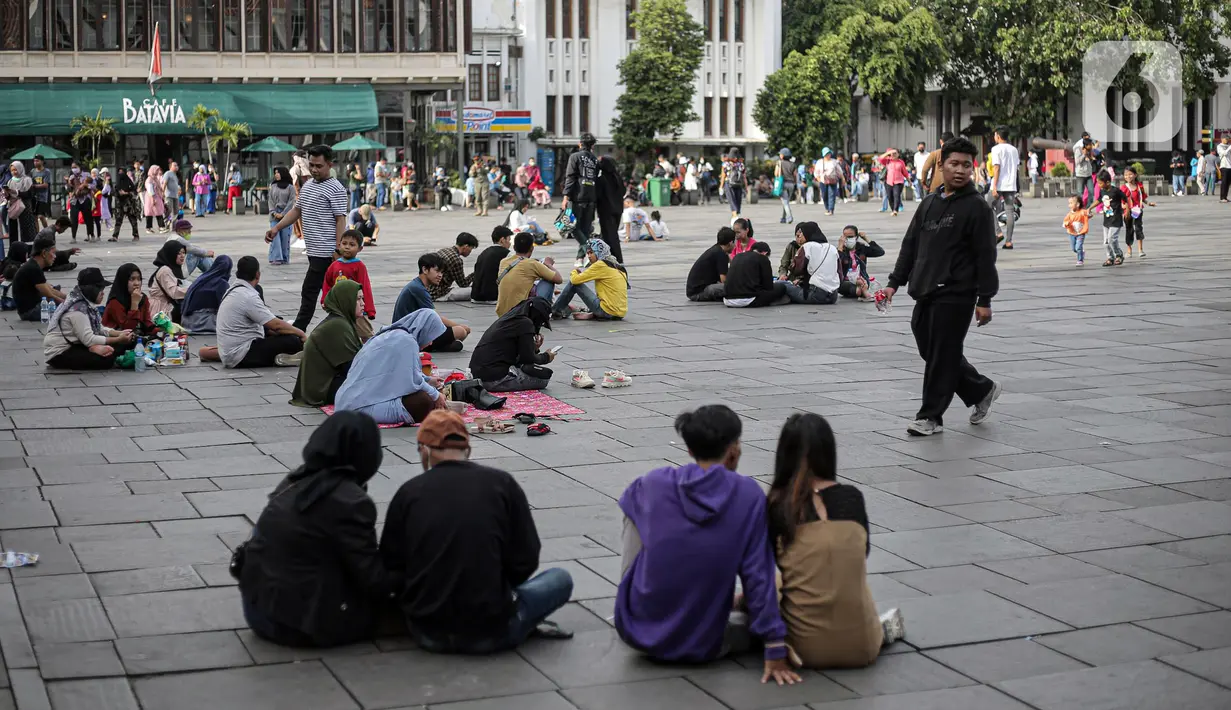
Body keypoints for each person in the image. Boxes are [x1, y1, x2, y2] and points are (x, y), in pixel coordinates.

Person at [615, 406, 799, 685]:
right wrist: (774, 645)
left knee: (635, 506)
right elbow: (757, 574)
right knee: (764, 622)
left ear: (689, 450)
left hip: (635, 632)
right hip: (702, 644)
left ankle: (635, 601)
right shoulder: (747, 495)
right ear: (734, 450)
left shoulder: (653, 483)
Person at [379, 409, 573, 652]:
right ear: (467, 449)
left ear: (424, 449)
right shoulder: (502, 483)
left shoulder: (409, 492)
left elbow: (391, 562)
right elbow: (526, 557)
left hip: (428, 631)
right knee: (560, 579)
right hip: (493, 629)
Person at [238, 411, 399, 647]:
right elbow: (374, 579)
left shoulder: (296, 481)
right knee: (413, 611)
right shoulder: (349, 500)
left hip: (257, 610)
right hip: (297, 624)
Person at [882, 136, 1001, 437]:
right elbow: (910, 245)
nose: (960, 170)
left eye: (966, 165)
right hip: (925, 289)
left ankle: (930, 416)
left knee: (942, 353)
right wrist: (894, 283)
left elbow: (986, 256)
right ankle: (981, 388)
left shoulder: (977, 208)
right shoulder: (930, 203)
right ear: (941, 165)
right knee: (930, 347)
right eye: (954, 164)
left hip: (958, 292)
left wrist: (984, 298)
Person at [768, 413, 905, 669]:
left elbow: (766, 568)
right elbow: (860, 555)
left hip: (803, 651)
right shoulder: (852, 498)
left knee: (776, 585)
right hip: (864, 647)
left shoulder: (778, 506)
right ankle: (877, 625)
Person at [267, 145, 348, 332]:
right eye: (311, 165)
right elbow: (297, 210)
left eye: (318, 166)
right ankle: (340, 330)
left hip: (327, 252)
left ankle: (298, 331)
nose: (314, 169)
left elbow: (340, 220)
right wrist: (277, 228)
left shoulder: (336, 188)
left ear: (329, 164)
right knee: (330, 296)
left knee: (310, 292)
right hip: (313, 251)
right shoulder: (308, 186)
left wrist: (338, 249)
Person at [335, 310, 450, 424]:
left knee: (424, 395)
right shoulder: (407, 341)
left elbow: (401, 372)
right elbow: (412, 380)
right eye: (431, 337)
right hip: (357, 408)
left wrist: (428, 380)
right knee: (423, 401)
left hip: (346, 401)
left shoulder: (395, 335)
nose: (431, 343)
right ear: (424, 330)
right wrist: (436, 396)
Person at [198, 256, 306, 368]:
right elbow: (276, 325)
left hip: (231, 352)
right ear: (258, 274)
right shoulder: (248, 296)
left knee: (284, 331)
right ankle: (290, 355)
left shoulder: (233, 290)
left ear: (237, 274)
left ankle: (285, 356)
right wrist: (301, 334)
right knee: (293, 340)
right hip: (242, 354)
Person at [290, 280, 365, 407]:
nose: (363, 304)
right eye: (358, 299)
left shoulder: (341, 321)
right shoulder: (337, 326)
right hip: (322, 389)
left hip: (326, 383)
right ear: (345, 300)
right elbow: (352, 367)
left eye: (362, 298)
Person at [44, 268, 136, 370]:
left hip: (77, 344)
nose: (103, 293)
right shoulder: (77, 309)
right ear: (91, 289)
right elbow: (89, 339)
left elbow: (99, 328)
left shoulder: (86, 304)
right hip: (60, 353)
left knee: (124, 345)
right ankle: (92, 350)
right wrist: (118, 339)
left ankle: (93, 349)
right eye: (100, 289)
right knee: (106, 360)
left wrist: (120, 333)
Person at [470, 296, 557, 392]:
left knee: (528, 368)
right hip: (493, 379)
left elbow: (514, 353)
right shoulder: (526, 323)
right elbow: (527, 359)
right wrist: (547, 357)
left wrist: (534, 348)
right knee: (544, 377)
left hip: (477, 374)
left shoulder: (511, 317)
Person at [392, 253, 472, 352]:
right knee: (461, 331)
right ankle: (436, 347)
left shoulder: (417, 285)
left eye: (442, 272)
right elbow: (435, 318)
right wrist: (458, 326)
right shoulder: (418, 289)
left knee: (459, 332)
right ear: (425, 270)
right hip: (410, 336)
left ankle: (444, 346)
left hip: (411, 332)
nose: (440, 275)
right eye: (437, 271)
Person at [551, 238, 628, 321]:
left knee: (574, 284)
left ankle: (555, 311)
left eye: (591, 253)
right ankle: (590, 313)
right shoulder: (615, 264)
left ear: (599, 252)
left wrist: (574, 271)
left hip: (606, 311)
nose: (589, 256)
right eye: (587, 253)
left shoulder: (601, 264)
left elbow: (575, 280)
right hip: (620, 313)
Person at [322, 230, 375, 340]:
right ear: (339, 244)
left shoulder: (359, 266)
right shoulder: (334, 266)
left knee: (366, 335)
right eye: (344, 243)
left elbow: (365, 286)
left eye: (352, 245)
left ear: (360, 249)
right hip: (339, 307)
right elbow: (327, 284)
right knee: (341, 333)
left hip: (355, 307)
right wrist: (325, 300)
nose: (347, 247)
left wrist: (369, 309)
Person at [496, 232, 564, 316]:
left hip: (502, 312)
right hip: (520, 313)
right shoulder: (532, 264)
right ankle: (543, 315)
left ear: (514, 247)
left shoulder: (503, 262)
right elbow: (559, 279)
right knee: (548, 281)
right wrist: (548, 264)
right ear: (532, 248)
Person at [562, 132, 600, 259]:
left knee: (571, 226)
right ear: (592, 146)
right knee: (585, 228)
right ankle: (580, 258)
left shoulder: (575, 157)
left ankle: (587, 246)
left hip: (578, 196)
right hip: (591, 197)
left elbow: (570, 177)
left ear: (580, 144)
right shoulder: (595, 160)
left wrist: (566, 196)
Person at [784, 222, 839, 305]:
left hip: (816, 295)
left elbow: (796, 270)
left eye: (801, 233)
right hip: (833, 296)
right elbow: (839, 272)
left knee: (784, 285)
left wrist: (797, 254)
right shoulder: (832, 248)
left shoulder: (807, 246)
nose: (800, 236)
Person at [13, 235, 65, 321]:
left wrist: (69, 297)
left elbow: (50, 290)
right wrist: (67, 304)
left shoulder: (34, 265)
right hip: (31, 311)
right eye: (53, 253)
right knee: (70, 313)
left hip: (33, 308)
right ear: (44, 253)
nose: (55, 257)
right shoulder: (33, 268)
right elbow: (49, 295)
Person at [180, 255, 234, 334]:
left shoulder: (201, 279)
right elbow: (226, 308)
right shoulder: (222, 284)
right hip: (201, 323)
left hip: (186, 322)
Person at [724, 242, 787, 308]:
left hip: (727, 299)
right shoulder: (763, 258)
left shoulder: (737, 256)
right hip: (749, 300)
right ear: (765, 253)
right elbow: (768, 286)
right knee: (781, 287)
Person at [988, 126, 1021, 249]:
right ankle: (1009, 241)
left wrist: (995, 186)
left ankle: (998, 232)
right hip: (1011, 184)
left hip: (999, 183)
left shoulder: (996, 149)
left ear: (998, 136)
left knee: (988, 206)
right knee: (1010, 211)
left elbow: (996, 168)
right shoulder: (1014, 150)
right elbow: (1017, 169)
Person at [102, 263, 156, 333]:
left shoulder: (143, 298)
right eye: (132, 279)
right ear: (123, 281)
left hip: (138, 337)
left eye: (139, 279)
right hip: (118, 339)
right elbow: (128, 329)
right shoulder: (115, 301)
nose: (136, 283)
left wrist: (161, 329)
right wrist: (134, 304)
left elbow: (147, 323)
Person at [686, 227, 735, 302]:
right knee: (732, 287)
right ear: (730, 243)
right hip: (699, 293)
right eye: (734, 242)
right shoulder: (721, 255)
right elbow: (724, 280)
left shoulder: (717, 249)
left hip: (693, 291)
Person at [836, 225, 884, 300]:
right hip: (845, 281)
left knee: (861, 285)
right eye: (845, 237)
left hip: (862, 279)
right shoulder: (841, 251)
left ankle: (861, 290)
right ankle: (863, 292)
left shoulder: (862, 249)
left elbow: (880, 252)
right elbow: (836, 263)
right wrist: (840, 247)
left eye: (851, 237)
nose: (848, 239)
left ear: (856, 237)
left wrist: (867, 239)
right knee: (850, 288)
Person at [428, 232, 479, 301]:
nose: (470, 251)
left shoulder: (444, 250)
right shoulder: (456, 259)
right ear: (466, 247)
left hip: (429, 291)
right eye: (471, 248)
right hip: (439, 294)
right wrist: (477, 272)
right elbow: (463, 284)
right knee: (476, 291)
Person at [470, 225, 513, 305]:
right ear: (502, 240)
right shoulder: (507, 254)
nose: (510, 243)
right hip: (493, 297)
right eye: (509, 240)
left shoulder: (484, 252)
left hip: (476, 296)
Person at [595, 154, 626, 262]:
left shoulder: (601, 179)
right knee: (611, 234)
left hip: (606, 210)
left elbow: (597, 195)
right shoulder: (617, 177)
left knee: (610, 235)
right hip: (618, 209)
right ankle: (605, 256)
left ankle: (616, 258)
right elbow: (624, 191)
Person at [146, 241, 187, 322]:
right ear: (171, 254)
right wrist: (192, 289)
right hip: (160, 309)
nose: (182, 256)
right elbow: (174, 292)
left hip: (167, 304)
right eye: (179, 253)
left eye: (183, 253)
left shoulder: (174, 268)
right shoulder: (165, 270)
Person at [264, 166, 296, 265]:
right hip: (274, 214)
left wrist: (283, 214)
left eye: (278, 172)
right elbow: (270, 201)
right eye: (275, 173)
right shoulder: (273, 186)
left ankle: (285, 257)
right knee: (275, 236)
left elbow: (291, 202)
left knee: (285, 237)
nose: (276, 175)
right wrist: (274, 212)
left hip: (287, 214)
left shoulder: (291, 187)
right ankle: (276, 258)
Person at [1121, 165, 1155, 258]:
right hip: (1127, 212)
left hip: (1138, 211)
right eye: (1126, 175)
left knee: (1138, 228)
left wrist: (1149, 203)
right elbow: (1121, 200)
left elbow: (1142, 197)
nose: (1128, 176)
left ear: (1135, 175)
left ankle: (1140, 250)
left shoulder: (1139, 186)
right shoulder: (1124, 188)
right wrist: (1123, 206)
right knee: (1129, 230)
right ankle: (1129, 250)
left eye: (1130, 174)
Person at [5, 161, 37, 247]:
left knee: (27, 229)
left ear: (20, 169)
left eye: (16, 169)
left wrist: (16, 192)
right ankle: (15, 249)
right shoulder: (10, 181)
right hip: (14, 208)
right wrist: (7, 194)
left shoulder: (27, 180)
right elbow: (8, 197)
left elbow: (29, 194)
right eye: (12, 170)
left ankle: (28, 249)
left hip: (25, 208)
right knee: (14, 229)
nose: (14, 172)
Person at [63, 162, 94, 243]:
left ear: (79, 167)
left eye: (75, 167)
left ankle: (91, 235)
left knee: (88, 218)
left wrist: (85, 185)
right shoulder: (71, 177)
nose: (74, 169)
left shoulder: (87, 175)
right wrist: (67, 183)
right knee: (74, 219)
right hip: (75, 200)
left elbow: (93, 186)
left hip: (85, 199)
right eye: (72, 167)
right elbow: (68, 189)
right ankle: (73, 237)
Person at [109, 168, 142, 241]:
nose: (120, 174)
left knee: (133, 220)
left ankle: (136, 235)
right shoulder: (118, 182)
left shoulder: (129, 182)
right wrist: (118, 193)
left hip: (129, 203)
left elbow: (134, 192)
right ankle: (115, 236)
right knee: (118, 220)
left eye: (122, 172)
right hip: (120, 204)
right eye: (119, 172)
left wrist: (126, 193)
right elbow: (114, 192)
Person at [876, 149, 907, 216]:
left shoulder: (901, 162)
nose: (893, 155)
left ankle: (895, 210)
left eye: (895, 153)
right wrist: (888, 153)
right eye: (892, 154)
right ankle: (893, 209)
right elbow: (879, 159)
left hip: (898, 181)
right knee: (890, 197)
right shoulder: (887, 161)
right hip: (888, 182)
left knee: (896, 195)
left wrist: (909, 181)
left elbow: (905, 172)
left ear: (898, 154)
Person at [919, 132, 952, 197]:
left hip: (936, 187)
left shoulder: (935, 154)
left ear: (940, 141)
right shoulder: (957, 154)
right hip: (952, 188)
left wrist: (924, 182)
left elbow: (925, 169)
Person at [1062, 196, 1089, 267]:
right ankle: (1081, 253)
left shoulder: (1082, 212)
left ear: (1077, 204)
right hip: (1072, 233)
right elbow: (1065, 221)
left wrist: (1089, 214)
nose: (1069, 205)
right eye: (1069, 203)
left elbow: (1088, 214)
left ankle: (1080, 260)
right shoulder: (1069, 214)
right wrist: (1066, 224)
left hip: (1081, 233)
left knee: (1078, 247)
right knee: (1074, 249)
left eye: (1071, 203)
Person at [723, 150, 748, 222]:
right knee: (737, 201)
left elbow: (723, 175)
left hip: (729, 184)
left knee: (732, 201)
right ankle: (736, 216)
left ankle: (735, 218)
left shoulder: (726, 164)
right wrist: (746, 187)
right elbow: (744, 176)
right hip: (738, 185)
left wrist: (721, 186)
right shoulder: (741, 164)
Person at [816, 148, 842, 216]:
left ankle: (831, 209)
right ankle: (827, 208)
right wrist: (818, 178)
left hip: (833, 180)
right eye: (826, 154)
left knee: (831, 195)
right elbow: (816, 172)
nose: (828, 155)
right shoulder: (820, 162)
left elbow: (839, 170)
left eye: (829, 153)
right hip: (823, 181)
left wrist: (842, 178)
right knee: (824, 195)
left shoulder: (834, 161)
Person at [144, 165, 168, 235]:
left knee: (159, 211)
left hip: (157, 197)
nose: (158, 171)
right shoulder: (149, 179)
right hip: (151, 197)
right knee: (149, 212)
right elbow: (150, 190)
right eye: (156, 170)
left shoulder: (155, 179)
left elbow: (159, 187)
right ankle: (149, 228)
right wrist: (153, 199)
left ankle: (161, 227)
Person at [29, 155, 51, 230]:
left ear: (42, 161)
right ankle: (37, 235)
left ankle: (47, 231)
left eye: (37, 161)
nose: (35, 162)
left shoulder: (46, 172)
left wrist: (34, 186)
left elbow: (45, 185)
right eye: (34, 161)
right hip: (34, 197)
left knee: (41, 216)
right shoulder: (32, 171)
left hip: (43, 197)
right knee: (34, 217)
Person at [775, 148, 796, 224]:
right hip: (791, 184)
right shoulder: (793, 164)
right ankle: (783, 218)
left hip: (783, 183)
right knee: (786, 202)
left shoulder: (779, 163)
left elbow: (776, 173)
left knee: (785, 202)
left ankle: (789, 217)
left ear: (783, 155)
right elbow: (795, 175)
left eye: (780, 154)